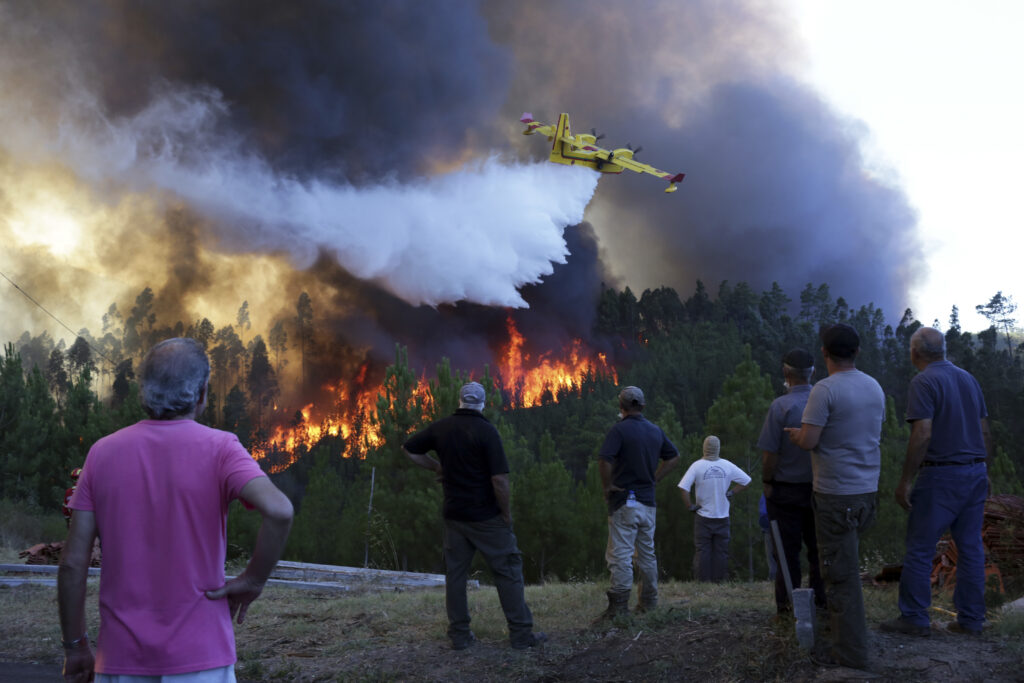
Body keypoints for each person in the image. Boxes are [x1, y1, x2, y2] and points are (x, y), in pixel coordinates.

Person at [58, 337, 294, 683]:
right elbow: (280, 511)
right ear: (201, 394)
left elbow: (72, 564)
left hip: (121, 659)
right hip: (202, 660)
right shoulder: (222, 448)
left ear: (143, 392)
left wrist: (75, 646)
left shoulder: (102, 453)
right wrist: (253, 579)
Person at [403, 381, 545, 651]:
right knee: (508, 570)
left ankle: (459, 635)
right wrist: (506, 514)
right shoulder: (487, 432)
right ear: (482, 403)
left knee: (456, 574)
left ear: (460, 401)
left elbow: (409, 448)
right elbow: (500, 480)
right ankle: (521, 635)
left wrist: (437, 467)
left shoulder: (441, 427)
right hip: (486, 517)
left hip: (454, 514)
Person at [881, 327, 992, 637]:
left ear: (915, 353)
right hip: (974, 472)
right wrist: (986, 470)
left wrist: (905, 480)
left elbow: (923, 433)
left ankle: (914, 618)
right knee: (970, 548)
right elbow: (984, 431)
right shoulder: (968, 379)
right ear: (943, 350)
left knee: (919, 547)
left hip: (942, 475)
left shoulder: (924, 381)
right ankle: (971, 620)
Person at [786, 323, 885, 670]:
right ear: (857, 352)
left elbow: (811, 440)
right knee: (846, 566)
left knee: (840, 576)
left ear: (825, 353)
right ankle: (848, 637)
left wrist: (796, 436)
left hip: (835, 495)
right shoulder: (873, 386)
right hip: (867, 491)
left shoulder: (824, 391)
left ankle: (851, 654)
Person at [597, 386, 679, 617]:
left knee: (620, 554)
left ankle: (619, 608)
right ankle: (649, 603)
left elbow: (604, 460)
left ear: (621, 407)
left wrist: (607, 487)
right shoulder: (655, 430)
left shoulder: (619, 431)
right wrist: (655, 479)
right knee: (646, 554)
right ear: (642, 406)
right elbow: (674, 457)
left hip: (624, 501)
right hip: (647, 503)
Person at [757, 348, 825, 615]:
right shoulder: (825, 403)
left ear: (786, 373)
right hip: (821, 489)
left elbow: (769, 453)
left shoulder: (780, 407)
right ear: (813, 373)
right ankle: (822, 601)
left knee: (786, 552)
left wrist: (767, 481)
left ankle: (789, 606)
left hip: (786, 492)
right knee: (818, 549)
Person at [678, 435, 750, 582]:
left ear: (704, 448)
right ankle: (719, 582)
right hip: (722, 516)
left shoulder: (696, 466)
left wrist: (690, 506)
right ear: (718, 448)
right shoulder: (727, 465)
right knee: (721, 552)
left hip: (703, 516)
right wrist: (731, 492)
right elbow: (746, 481)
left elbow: (683, 488)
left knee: (703, 551)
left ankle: (702, 583)